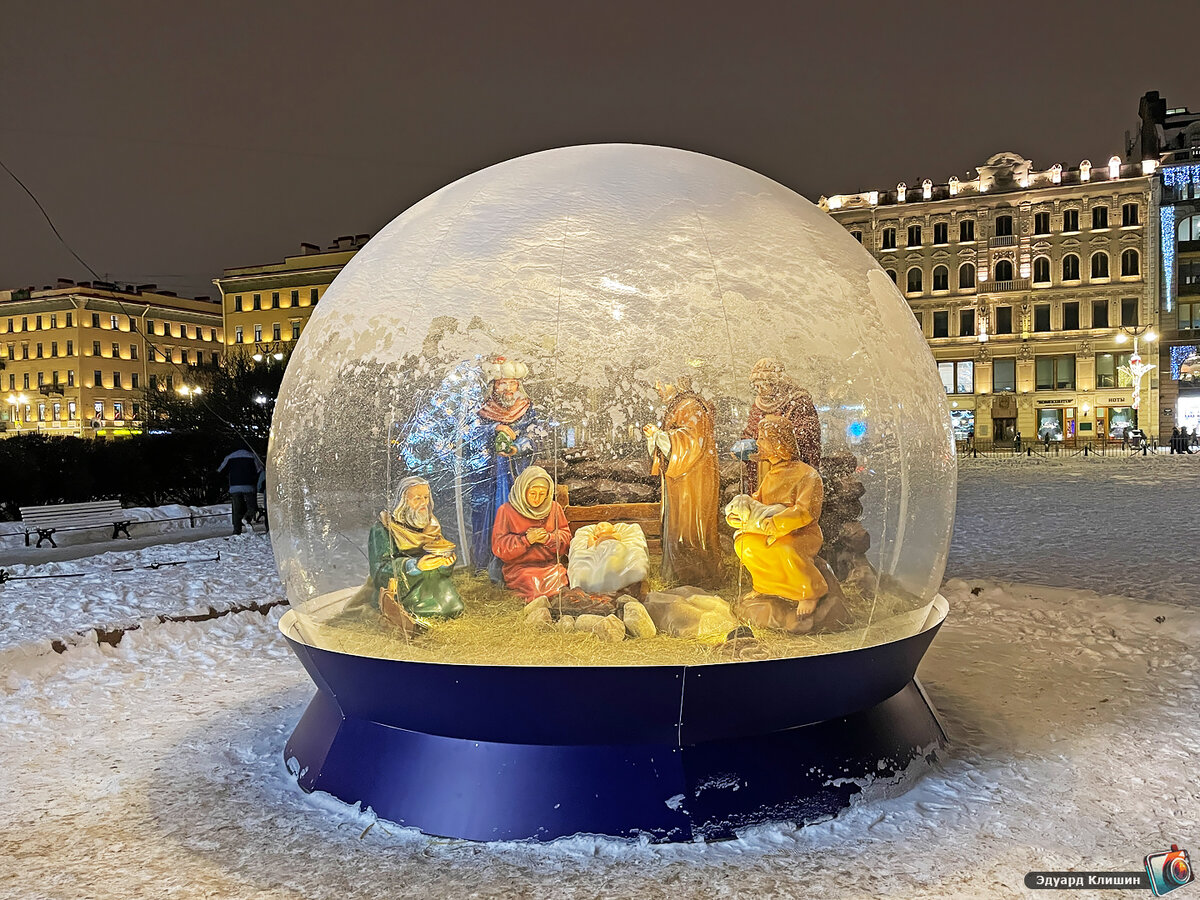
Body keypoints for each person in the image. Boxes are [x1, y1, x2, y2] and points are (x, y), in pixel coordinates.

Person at [724, 415, 847, 634]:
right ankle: (764, 586)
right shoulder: (772, 474)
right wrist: (741, 513)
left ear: (778, 442)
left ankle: (809, 592)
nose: (758, 443)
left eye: (763, 439)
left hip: (800, 532)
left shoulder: (807, 475)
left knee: (786, 549)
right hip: (769, 528)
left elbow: (806, 512)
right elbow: (758, 501)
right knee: (745, 545)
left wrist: (775, 523)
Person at [469, 355, 544, 578]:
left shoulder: (526, 408)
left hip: (515, 475)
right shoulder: (481, 410)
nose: (509, 389)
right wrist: (494, 429)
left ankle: (515, 564)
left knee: (517, 515)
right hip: (488, 478)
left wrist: (517, 448)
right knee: (486, 518)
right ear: (493, 385)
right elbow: (469, 436)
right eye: (503, 383)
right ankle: (484, 564)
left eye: (513, 383)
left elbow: (537, 434)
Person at [645, 376, 722, 586]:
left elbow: (690, 443)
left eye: (663, 382)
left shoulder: (690, 406)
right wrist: (656, 437)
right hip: (679, 479)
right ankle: (680, 575)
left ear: (678, 381)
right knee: (678, 525)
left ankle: (695, 576)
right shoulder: (678, 406)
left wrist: (660, 436)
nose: (658, 387)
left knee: (688, 527)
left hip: (692, 480)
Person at [366, 476, 463, 619]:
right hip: (406, 593)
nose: (423, 503)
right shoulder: (384, 529)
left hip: (436, 586)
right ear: (403, 501)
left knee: (454, 607)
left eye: (426, 497)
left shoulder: (431, 525)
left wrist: (445, 564)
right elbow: (379, 571)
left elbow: (441, 558)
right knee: (428, 611)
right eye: (417, 498)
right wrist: (415, 566)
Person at [731, 357, 821, 491]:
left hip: (788, 471)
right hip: (762, 468)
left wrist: (772, 444)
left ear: (776, 383)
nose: (760, 390)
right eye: (757, 386)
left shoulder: (797, 403)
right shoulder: (758, 405)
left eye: (763, 386)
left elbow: (805, 438)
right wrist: (744, 446)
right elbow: (751, 431)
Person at [490, 466, 572, 601]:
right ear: (523, 490)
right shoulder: (506, 510)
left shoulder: (554, 508)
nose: (537, 499)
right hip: (519, 568)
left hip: (549, 566)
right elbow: (499, 546)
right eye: (533, 493)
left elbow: (566, 538)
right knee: (533, 586)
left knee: (561, 582)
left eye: (542, 494)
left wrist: (548, 538)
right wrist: (526, 540)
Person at [217, 445, 262, 535]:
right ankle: (246, 518)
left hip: (235, 487)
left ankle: (237, 530)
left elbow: (220, 470)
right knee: (252, 507)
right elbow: (259, 469)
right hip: (249, 486)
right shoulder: (252, 456)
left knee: (237, 509)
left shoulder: (230, 457)